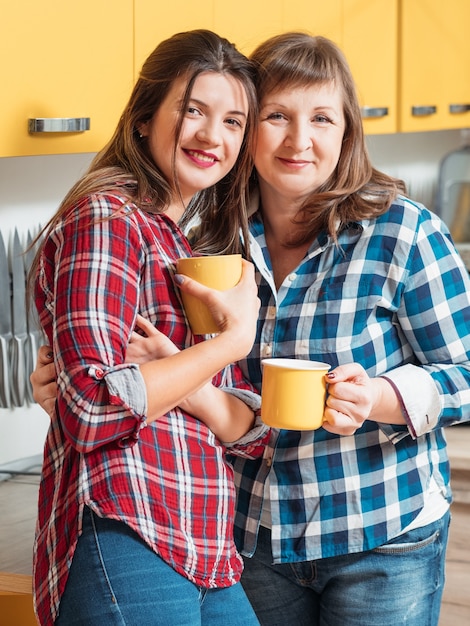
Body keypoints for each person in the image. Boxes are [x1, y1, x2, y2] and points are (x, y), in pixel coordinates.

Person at [32, 31, 470, 626]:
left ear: (347, 133)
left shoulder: (403, 232)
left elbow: (466, 374)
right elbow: (123, 382)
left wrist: (380, 398)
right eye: (275, 117)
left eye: (322, 118)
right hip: (250, 537)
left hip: (379, 534)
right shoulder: (211, 236)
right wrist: (84, 380)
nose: (300, 140)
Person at [28, 29, 270, 626]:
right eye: (193, 111)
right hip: (127, 526)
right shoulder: (106, 219)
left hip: (206, 544)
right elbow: (91, 407)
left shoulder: (191, 244)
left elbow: (246, 428)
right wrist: (231, 344)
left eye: (234, 121)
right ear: (143, 118)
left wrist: (182, 376)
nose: (213, 136)